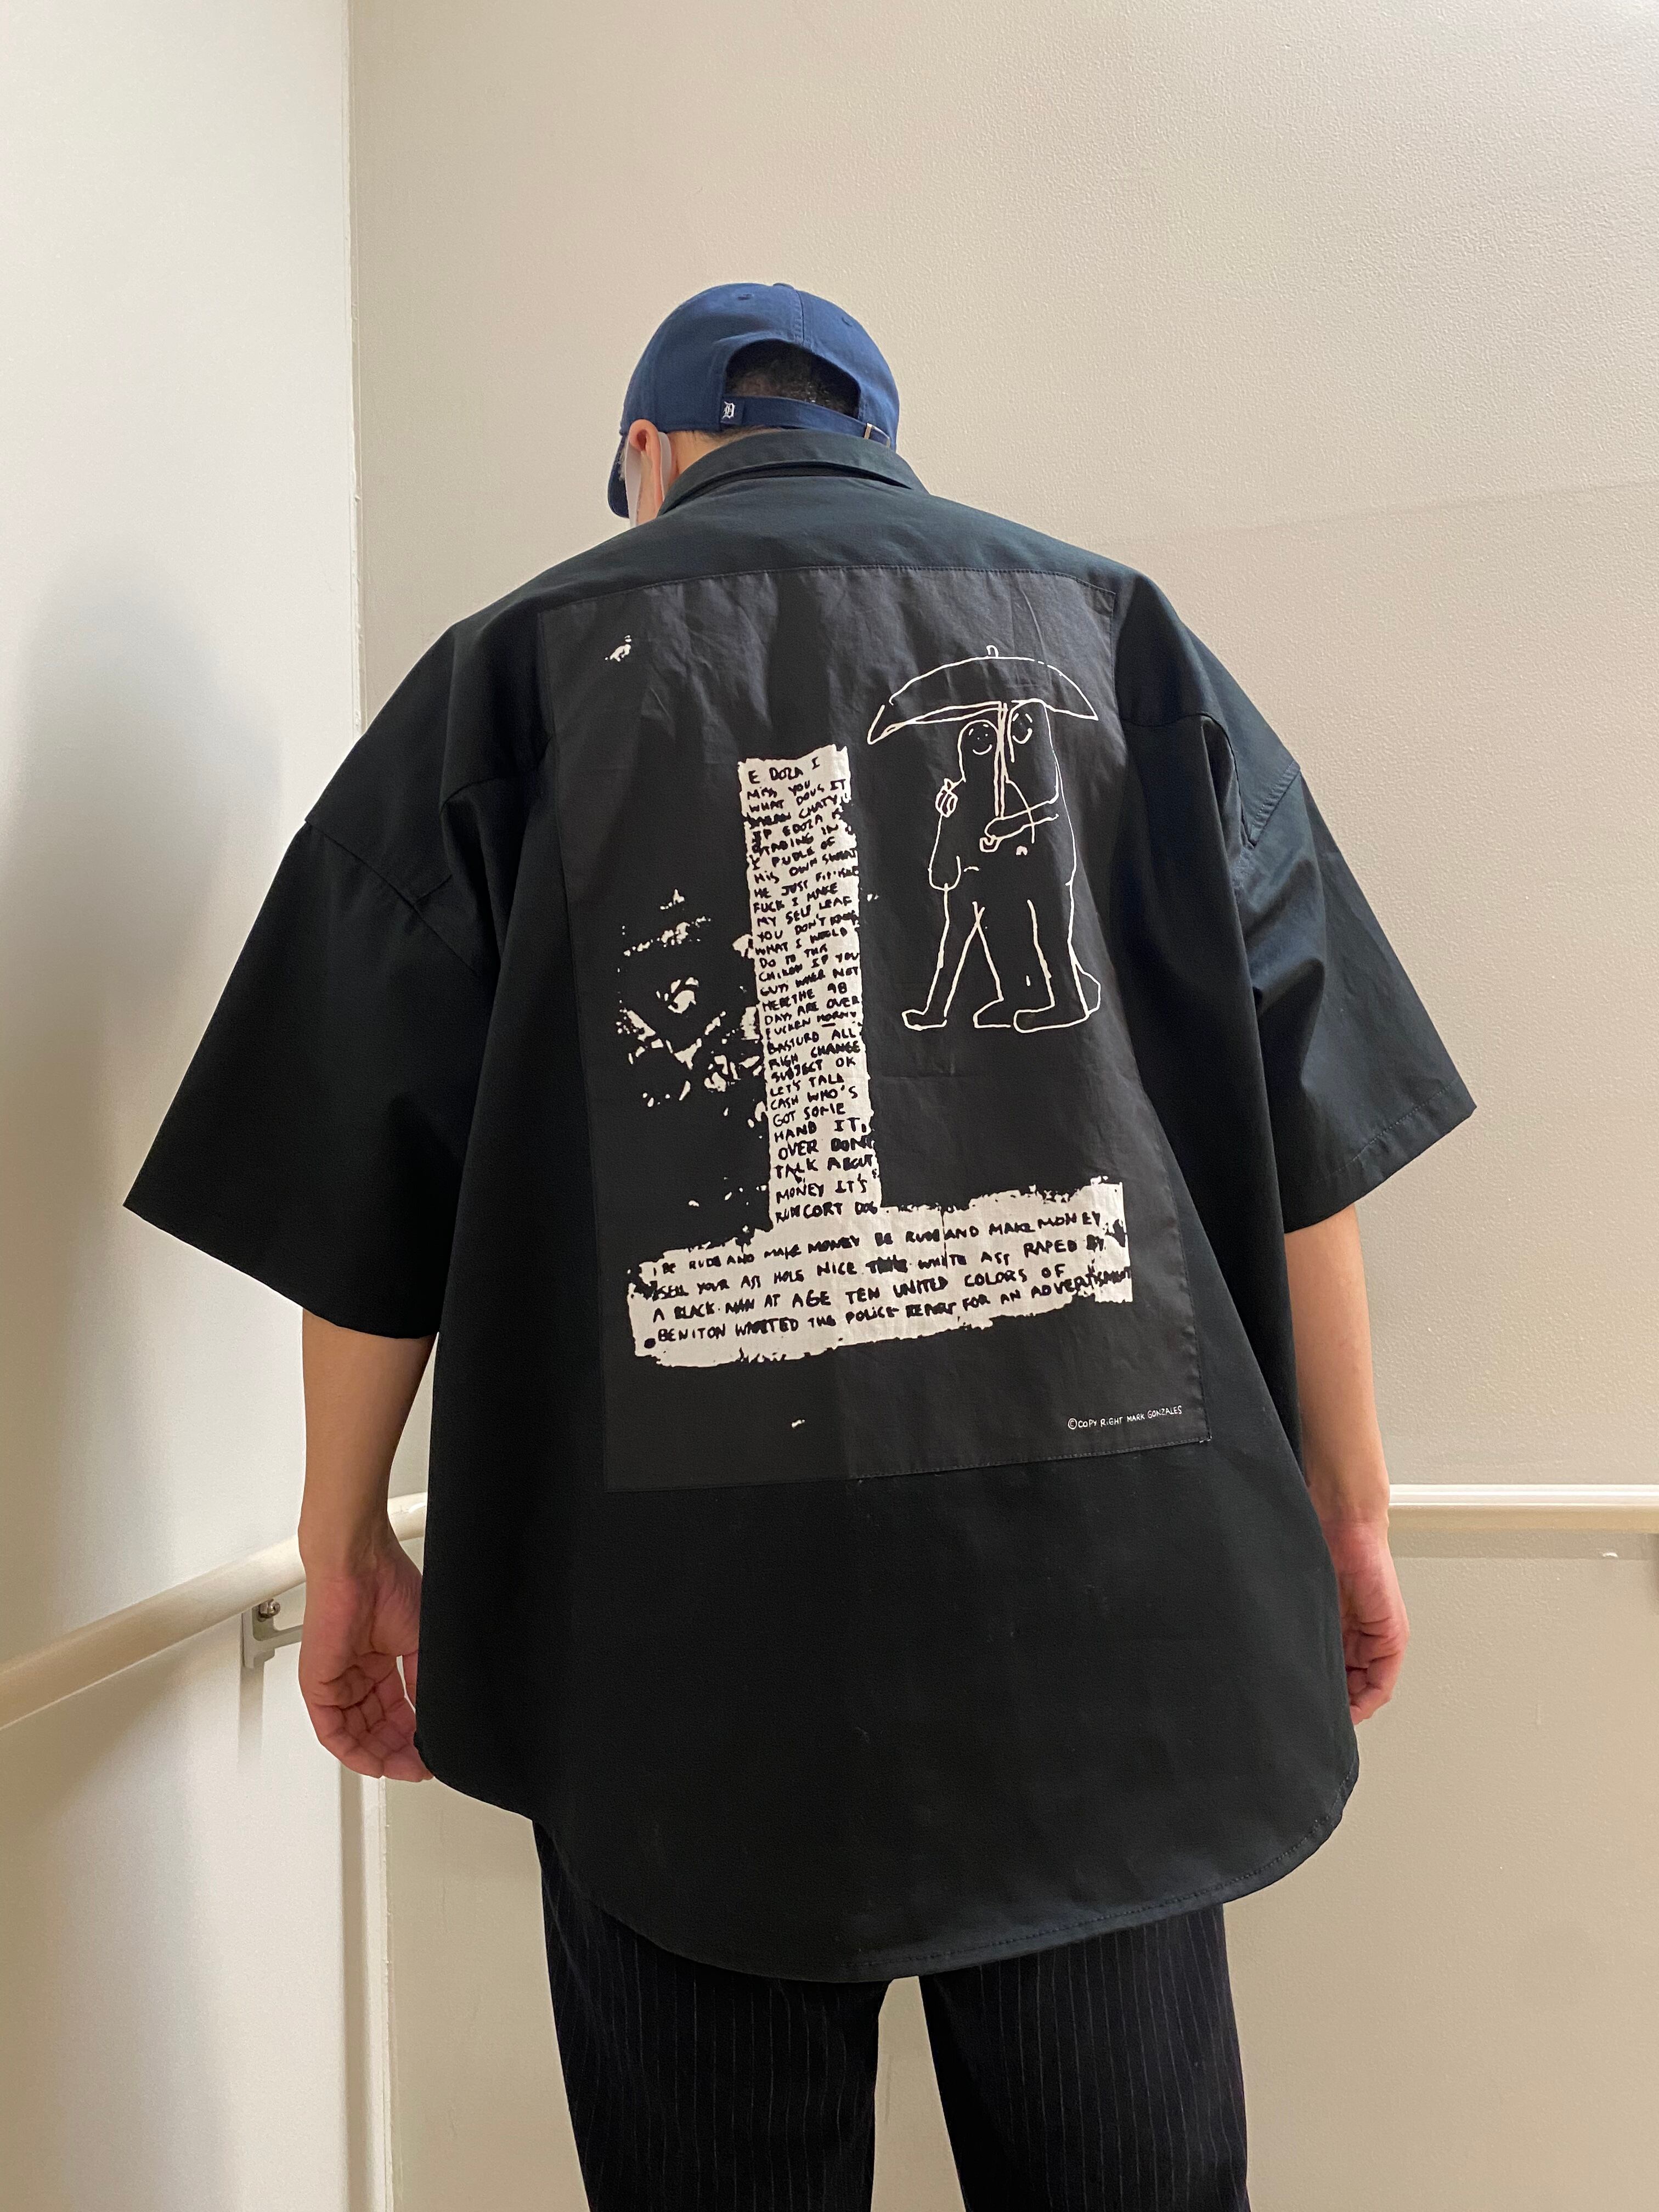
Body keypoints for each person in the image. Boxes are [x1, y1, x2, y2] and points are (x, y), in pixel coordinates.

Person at [126, 282, 1476, 2210]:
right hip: (1098, 1620)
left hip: (675, 1646)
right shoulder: (1119, 635)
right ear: (878, 437)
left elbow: (369, 1181)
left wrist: (345, 1547)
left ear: (649, 454)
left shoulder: (510, 670)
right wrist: (1352, 1509)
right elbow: (1303, 1134)